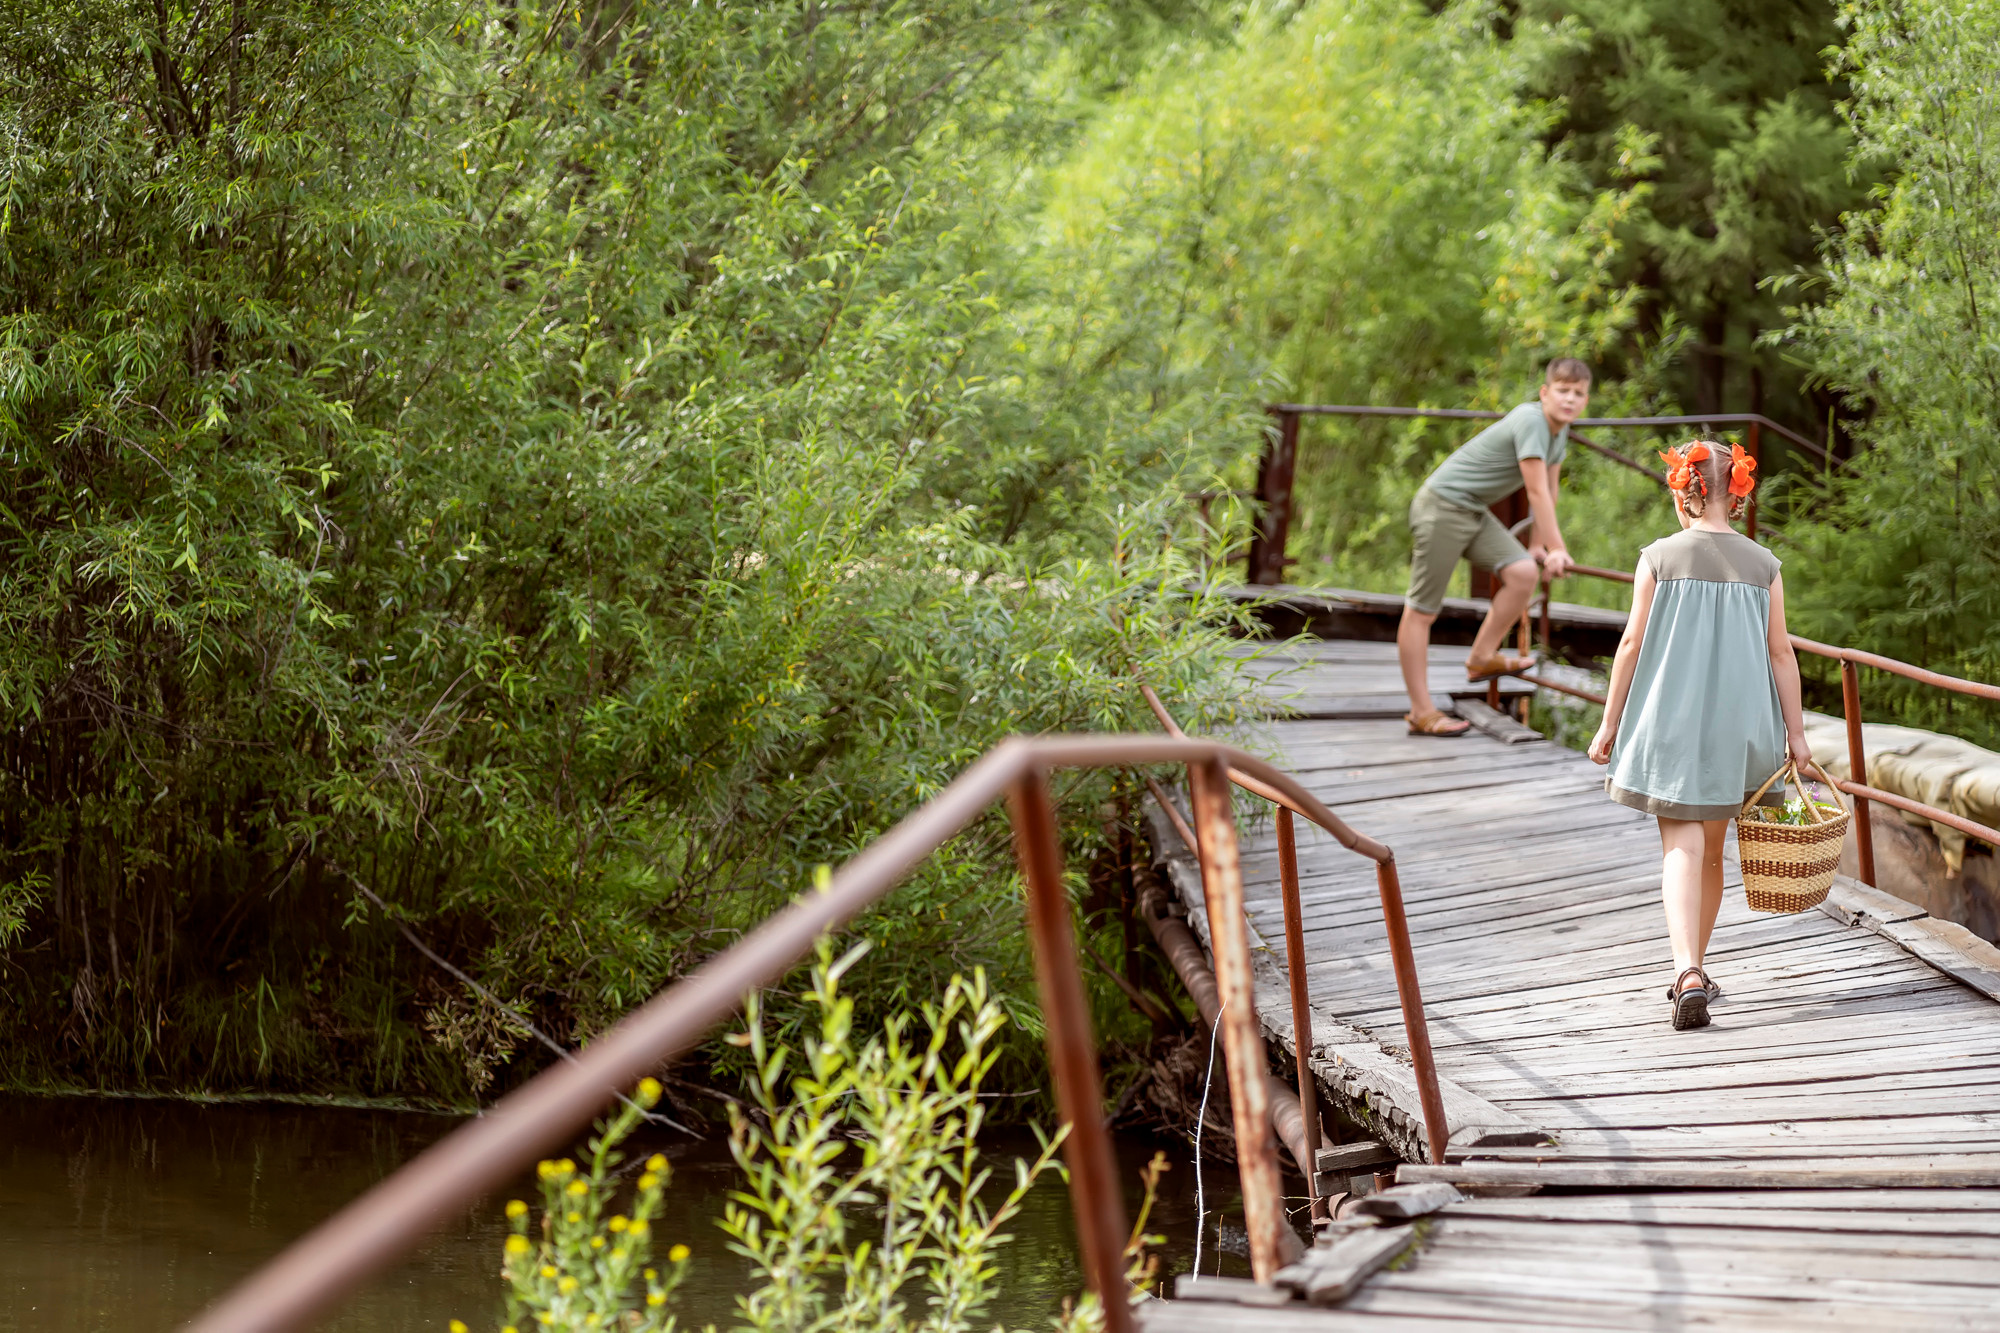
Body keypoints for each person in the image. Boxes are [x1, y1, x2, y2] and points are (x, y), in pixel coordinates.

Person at [1586, 440, 1811, 1030]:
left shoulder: (1659, 557)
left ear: (1684, 492)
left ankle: (1685, 970)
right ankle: (1699, 969)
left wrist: (1609, 723)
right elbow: (1781, 654)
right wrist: (1798, 738)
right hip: (1740, 729)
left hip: (1672, 726)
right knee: (1712, 852)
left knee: (1680, 848)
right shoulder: (1764, 564)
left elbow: (1631, 644)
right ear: (1736, 494)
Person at [1399, 360, 1591, 736]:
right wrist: (1558, 548)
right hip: (1441, 507)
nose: (1570, 399)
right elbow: (1535, 491)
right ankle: (1421, 711)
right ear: (1545, 393)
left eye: (1579, 393)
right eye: (1563, 390)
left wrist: (1538, 544)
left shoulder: (1559, 431)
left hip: (1472, 510)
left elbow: (1550, 490)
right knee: (1422, 610)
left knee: (1523, 572)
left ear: (1586, 400)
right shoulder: (1531, 420)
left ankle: (1482, 657)